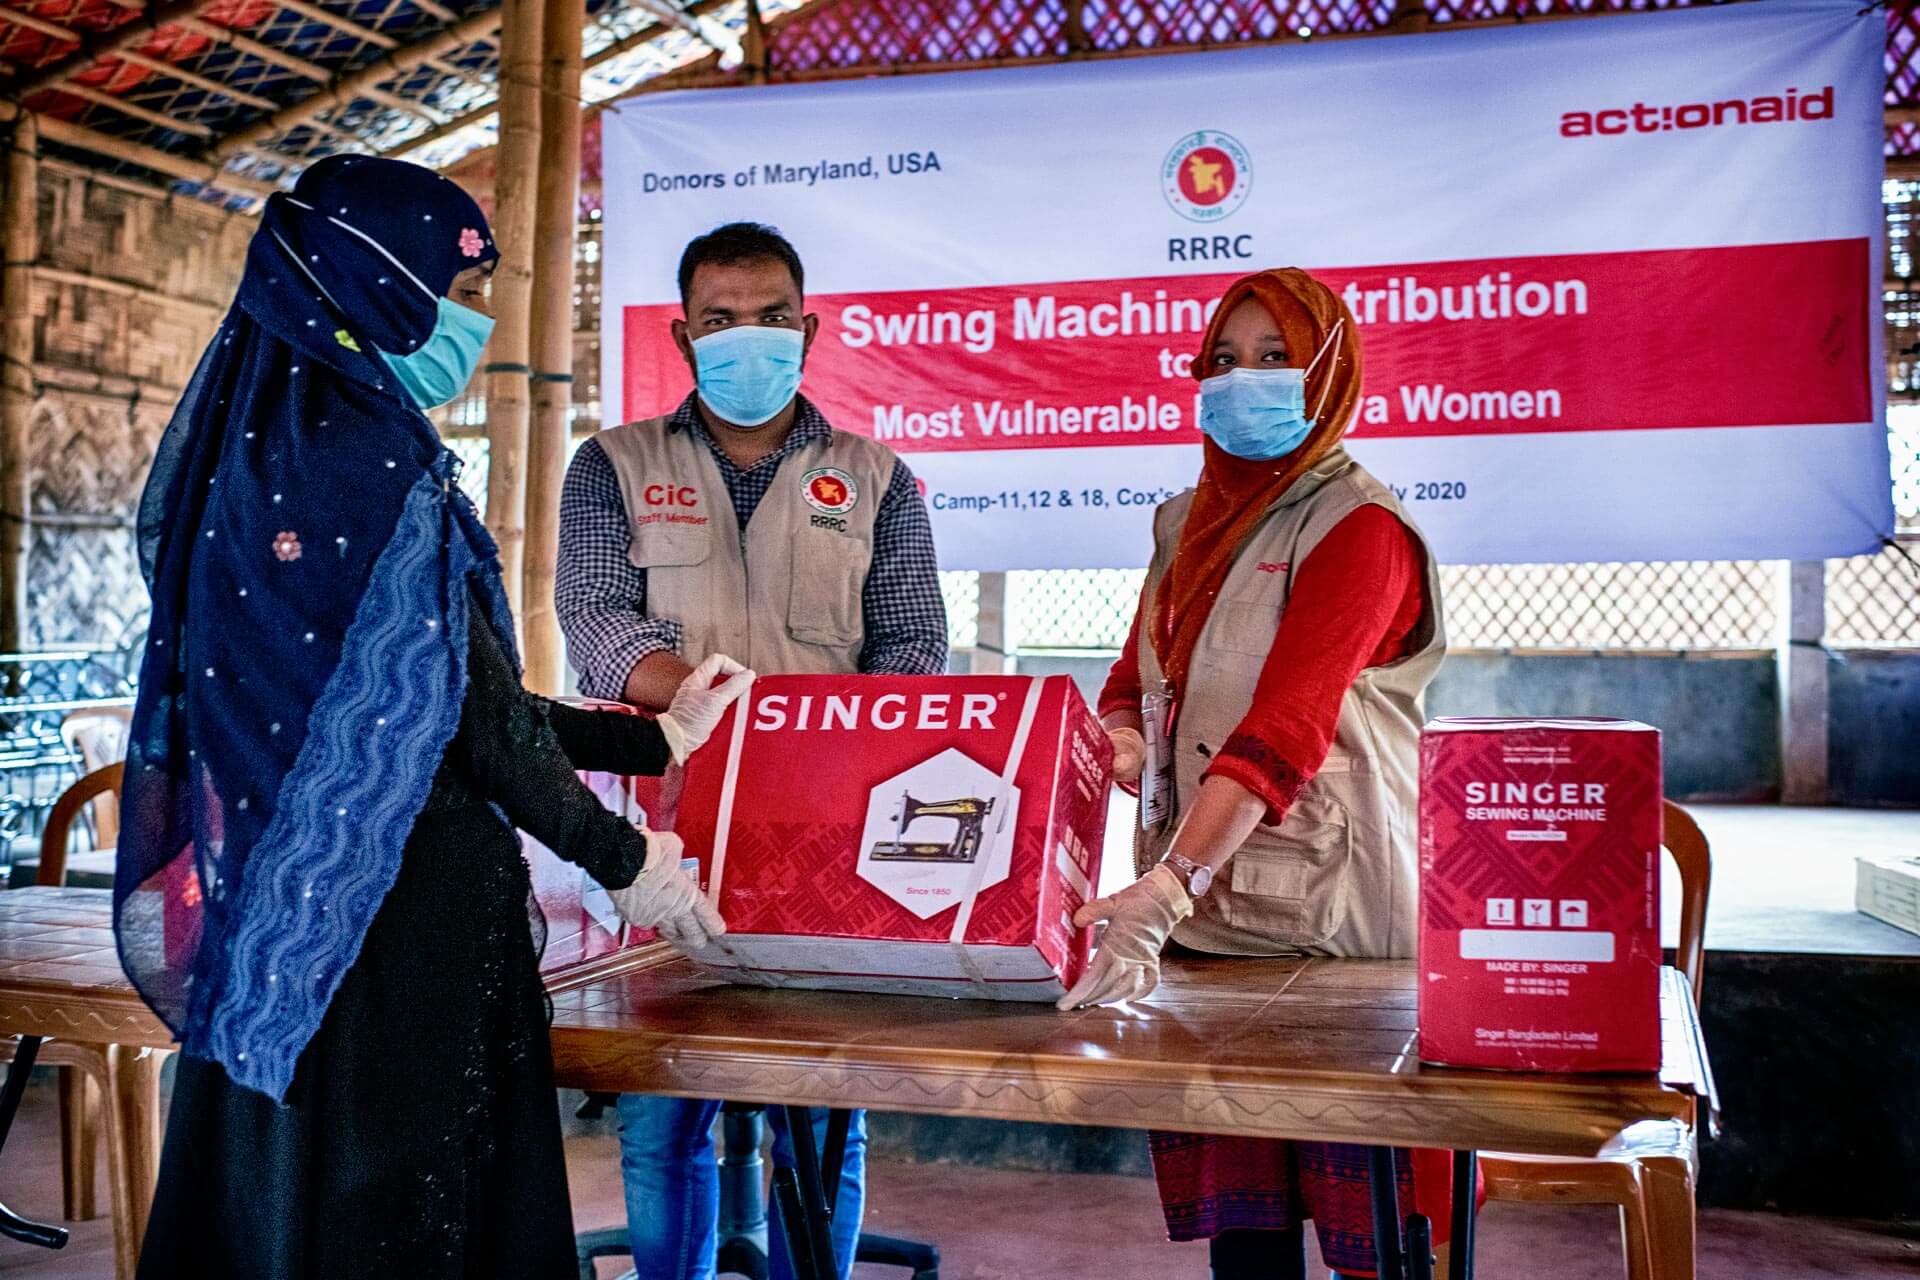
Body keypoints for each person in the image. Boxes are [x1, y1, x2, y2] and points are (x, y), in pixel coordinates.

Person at [117, 155, 750, 1279]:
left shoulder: (260, 451)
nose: (472, 320)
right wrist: (621, 856)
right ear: (373, 279)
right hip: (398, 940)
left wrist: (646, 738)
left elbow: (444, 691)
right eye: (454, 288)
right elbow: (480, 725)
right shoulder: (374, 462)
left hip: (282, 926)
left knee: (286, 1214)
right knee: (397, 1226)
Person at [556, 221, 948, 1280]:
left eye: (772, 318)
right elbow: (591, 620)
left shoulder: (878, 478)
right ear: (685, 336)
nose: (748, 339)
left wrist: (828, 743)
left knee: (821, 1110)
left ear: (808, 329)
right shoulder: (612, 465)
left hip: (833, 825)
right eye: (721, 321)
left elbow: (915, 643)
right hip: (660, 829)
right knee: (660, 1110)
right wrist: (695, 697)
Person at [1063, 268, 1463, 1280]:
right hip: (1201, 913)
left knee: (1369, 1224)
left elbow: (1288, 719)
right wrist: (1118, 735)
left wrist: (1165, 883)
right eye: (1226, 360)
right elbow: (1134, 672)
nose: (1247, 381)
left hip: (1327, 927)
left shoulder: (1361, 528)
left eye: (1277, 358)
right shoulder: (1183, 521)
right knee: (1247, 1230)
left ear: (1329, 372)